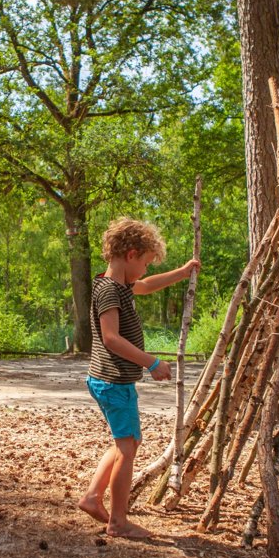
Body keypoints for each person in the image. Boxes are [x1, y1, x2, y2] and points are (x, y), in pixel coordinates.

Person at [78, 217, 199, 539]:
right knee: (128, 449)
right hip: (113, 382)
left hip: (110, 381)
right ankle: (118, 521)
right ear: (131, 254)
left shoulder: (117, 284)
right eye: (145, 263)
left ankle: (92, 497)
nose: (144, 271)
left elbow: (145, 286)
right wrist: (152, 362)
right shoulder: (108, 291)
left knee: (127, 443)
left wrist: (182, 273)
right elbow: (111, 338)